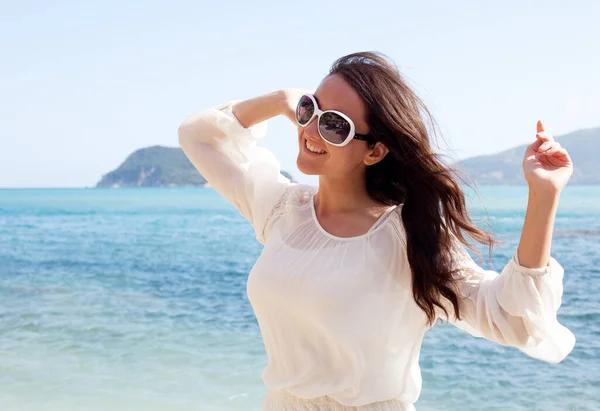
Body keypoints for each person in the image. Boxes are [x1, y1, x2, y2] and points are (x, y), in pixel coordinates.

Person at [177, 52, 575, 411]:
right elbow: (198, 136)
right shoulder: (282, 209)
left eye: (335, 125)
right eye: (309, 109)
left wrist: (543, 195)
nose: (311, 130)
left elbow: (512, 318)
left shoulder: (409, 236)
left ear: (375, 151)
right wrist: (281, 99)